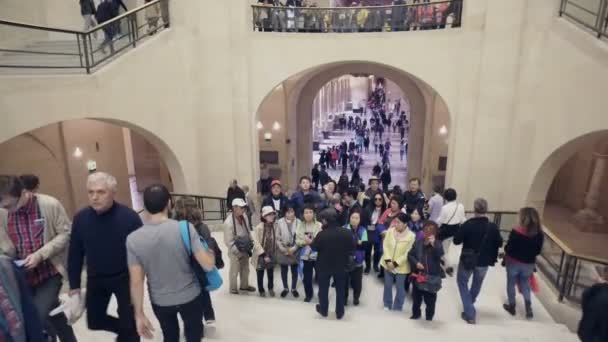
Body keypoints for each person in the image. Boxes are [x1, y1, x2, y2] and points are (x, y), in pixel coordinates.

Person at [127, 184, 215, 342]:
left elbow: (136, 281)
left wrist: (139, 314)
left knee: (170, 336)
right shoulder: (185, 228)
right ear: (169, 203)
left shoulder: (133, 239)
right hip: (190, 297)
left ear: (145, 207)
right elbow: (208, 264)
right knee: (194, 335)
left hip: (160, 301)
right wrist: (211, 250)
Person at [0, 176, 78, 342]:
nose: (7, 209)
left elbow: (66, 234)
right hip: (22, 275)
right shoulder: (4, 212)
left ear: (24, 193)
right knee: (53, 313)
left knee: (36, 317)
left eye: (9, 205)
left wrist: (40, 254)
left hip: (49, 272)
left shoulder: (49, 205)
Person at [68, 172, 142, 342]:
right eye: (91, 192)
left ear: (113, 192)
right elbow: (75, 254)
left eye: (101, 192)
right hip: (96, 278)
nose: (95, 197)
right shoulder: (81, 219)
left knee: (129, 322)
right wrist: (74, 288)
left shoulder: (130, 218)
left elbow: (142, 254)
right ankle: (128, 332)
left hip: (125, 278)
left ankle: (130, 333)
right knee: (94, 321)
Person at [453, 198, 503, 324]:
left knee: (462, 282)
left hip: (467, 260)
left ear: (475, 209)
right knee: (477, 284)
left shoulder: (468, 224)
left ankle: (469, 312)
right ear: (486, 210)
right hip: (484, 261)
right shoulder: (493, 227)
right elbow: (500, 242)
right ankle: (469, 303)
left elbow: (456, 241)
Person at [173, 197, 217, 325]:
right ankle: (208, 316)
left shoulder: (176, 226)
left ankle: (204, 317)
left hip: (188, 266)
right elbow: (209, 246)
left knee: (198, 292)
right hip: (198, 265)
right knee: (202, 291)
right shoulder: (201, 226)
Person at [310, 208, 354, 320]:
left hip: (324, 266)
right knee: (340, 290)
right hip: (341, 266)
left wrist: (309, 242)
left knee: (323, 289)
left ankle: (324, 310)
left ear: (325, 220)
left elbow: (315, 248)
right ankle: (340, 312)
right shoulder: (347, 233)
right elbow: (352, 248)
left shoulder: (321, 234)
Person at [502, 207, 544, 319]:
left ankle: (512, 306)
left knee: (511, 283)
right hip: (528, 265)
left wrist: (506, 249)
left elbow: (509, 248)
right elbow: (538, 251)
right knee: (525, 284)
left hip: (513, 263)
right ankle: (528, 307)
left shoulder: (516, 231)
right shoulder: (539, 234)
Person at [408, 221, 444, 321]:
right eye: (426, 230)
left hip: (432, 277)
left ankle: (429, 317)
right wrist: (416, 263)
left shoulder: (438, 244)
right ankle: (416, 314)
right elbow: (410, 255)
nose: (428, 232)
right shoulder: (418, 242)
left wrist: (434, 244)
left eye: (431, 230)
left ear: (435, 232)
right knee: (416, 298)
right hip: (418, 276)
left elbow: (440, 255)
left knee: (430, 300)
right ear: (423, 231)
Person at [381, 213, 416, 311]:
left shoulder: (411, 236)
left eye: (398, 222)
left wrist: (395, 263)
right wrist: (388, 261)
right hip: (388, 264)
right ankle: (387, 303)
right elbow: (386, 246)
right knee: (387, 285)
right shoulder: (390, 231)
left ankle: (398, 305)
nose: (396, 224)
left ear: (405, 224)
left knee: (400, 287)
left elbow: (407, 252)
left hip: (401, 266)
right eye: (395, 222)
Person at [223, 198, 256, 294]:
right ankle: (233, 288)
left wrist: (251, 241)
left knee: (245, 268)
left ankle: (244, 286)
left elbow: (248, 230)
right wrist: (237, 253)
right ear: (234, 208)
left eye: (244, 207)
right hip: (235, 250)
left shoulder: (244, 216)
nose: (243, 209)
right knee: (234, 269)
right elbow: (228, 242)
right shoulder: (228, 223)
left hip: (245, 247)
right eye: (241, 207)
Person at [295, 204, 322, 302]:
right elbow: (298, 240)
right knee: (307, 277)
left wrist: (311, 242)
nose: (308, 214)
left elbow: (321, 240)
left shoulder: (319, 225)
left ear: (314, 213)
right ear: (303, 214)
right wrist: (305, 242)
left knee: (321, 276)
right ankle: (308, 295)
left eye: (310, 212)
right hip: (305, 255)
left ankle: (321, 295)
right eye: (306, 212)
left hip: (318, 254)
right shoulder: (300, 225)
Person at [437, 188, 466, 276]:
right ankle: (444, 262)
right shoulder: (460, 206)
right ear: (455, 196)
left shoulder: (444, 208)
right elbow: (462, 219)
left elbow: (440, 221)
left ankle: (448, 266)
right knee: (448, 249)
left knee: (444, 249)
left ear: (445, 197)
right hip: (457, 230)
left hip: (446, 231)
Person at [276, 202, 300, 298]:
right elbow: (278, 237)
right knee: (284, 270)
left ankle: (293, 288)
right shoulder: (279, 222)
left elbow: (300, 237)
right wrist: (283, 249)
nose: (290, 214)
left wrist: (294, 248)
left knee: (294, 270)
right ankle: (285, 288)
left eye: (292, 211)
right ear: (284, 213)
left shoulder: (299, 222)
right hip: (283, 249)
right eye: (288, 212)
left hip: (294, 249)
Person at [252, 206, 278, 297]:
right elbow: (256, 242)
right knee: (260, 272)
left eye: (272, 214)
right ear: (264, 216)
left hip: (271, 253)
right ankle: (261, 289)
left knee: (270, 272)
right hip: (261, 254)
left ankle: (270, 288)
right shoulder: (259, 227)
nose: (271, 216)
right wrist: (263, 254)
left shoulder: (275, 226)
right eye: (268, 215)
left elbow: (277, 239)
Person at [344, 210, 368, 306]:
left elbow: (364, 246)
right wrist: (357, 242)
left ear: (360, 219)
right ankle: (344, 299)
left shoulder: (363, 230)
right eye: (352, 217)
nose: (354, 220)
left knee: (357, 283)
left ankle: (356, 298)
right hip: (345, 260)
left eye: (356, 218)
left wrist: (357, 243)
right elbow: (342, 244)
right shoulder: (344, 228)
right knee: (344, 282)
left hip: (358, 260)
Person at [364, 192, 386, 274]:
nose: (377, 201)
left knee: (377, 251)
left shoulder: (385, 210)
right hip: (369, 231)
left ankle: (375, 265)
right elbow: (365, 223)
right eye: (375, 199)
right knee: (367, 250)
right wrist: (373, 227)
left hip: (379, 233)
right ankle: (368, 267)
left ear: (382, 200)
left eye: (380, 199)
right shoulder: (368, 208)